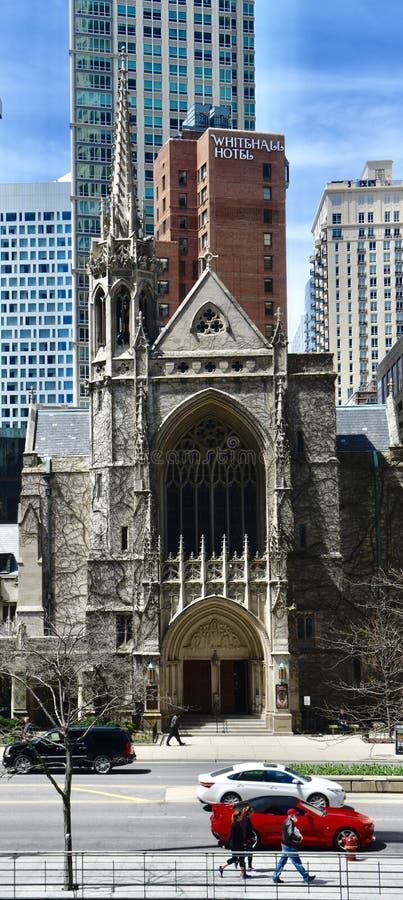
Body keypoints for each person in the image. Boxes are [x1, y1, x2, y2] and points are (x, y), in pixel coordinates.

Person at [272, 809, 316, 885]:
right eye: (295, 815)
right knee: (297, 862)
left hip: (285, 844)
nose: (296, 816)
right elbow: (290, 834)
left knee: (282, 861)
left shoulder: (288, 820)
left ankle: (275, 876)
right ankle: (306, 877)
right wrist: (298, 838)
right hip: (289, 846)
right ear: (291, 815)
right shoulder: (289, 822)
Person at [218, 810, 249, 879]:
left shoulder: (238, 823)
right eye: (241, 816)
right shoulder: (234, 824)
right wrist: (226, 844)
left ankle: (243, 873)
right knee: (235, 858)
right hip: (235, 845)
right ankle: (221, 867)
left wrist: (244, 841)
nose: (242, 817)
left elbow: (239, 835)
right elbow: (231, 835)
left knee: (241, 858)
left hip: (239, 844)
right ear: (238, 816)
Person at [241, 805, 255, 871]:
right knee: (249, 853)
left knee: (248, 853)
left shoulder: (244, 818)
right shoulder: (247, 819)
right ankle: (248, 866)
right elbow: (246, 830)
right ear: (249, 812)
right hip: (247, 840)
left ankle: (248, 865)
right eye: (252, 811)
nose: (253, 812)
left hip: (246, 839)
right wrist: (247, 839)